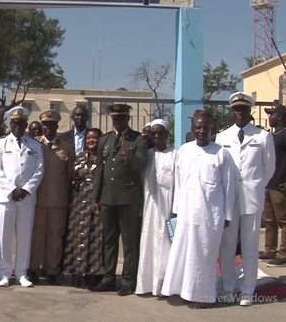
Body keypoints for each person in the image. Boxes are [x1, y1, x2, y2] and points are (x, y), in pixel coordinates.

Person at [162, 110, 236, 308]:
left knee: (204, 256)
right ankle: (181, 291)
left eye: (205, 127)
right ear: (193, 129)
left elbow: (229, 186)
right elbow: (179, 182)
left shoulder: (221, 154)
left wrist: (227, 215)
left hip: (209, 216)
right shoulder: (184, 151)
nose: (202, 131)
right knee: (183, 253)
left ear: (210, 129)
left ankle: (204, 297)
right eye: (198, 128)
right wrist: (176, 209)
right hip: (186, 214)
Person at [216, 92, 275, 307]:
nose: (239, 113)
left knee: (250, 247)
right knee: (227, 246)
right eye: (236, 109)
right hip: (229, 199)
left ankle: (248, 291)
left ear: (250, 110)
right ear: (232, 111)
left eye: (243, 109)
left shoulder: (262, 137)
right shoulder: (222, 137)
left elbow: (269, 168)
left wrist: (257, 186)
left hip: (252, 198)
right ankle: (229, 288)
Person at [89, 104, 148, 297]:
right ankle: (108, 278)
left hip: (128, 198)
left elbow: (140, 166)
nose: (118, 122)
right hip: (107, 198)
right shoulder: (105, 140)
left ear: (128, 119)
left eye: (121, 119)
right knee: (109, 241)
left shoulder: (138, 139)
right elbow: (99, 171)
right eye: (115, 119)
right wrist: (95, 198)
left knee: (129, 242)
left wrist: (129, 155)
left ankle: (129, 281)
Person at [0, 106, 44, 288]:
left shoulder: (35, 145)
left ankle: (21, 272)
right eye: (14, 123)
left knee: (24, 236)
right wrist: (11, 189)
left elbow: (39, 170)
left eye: (21, 123)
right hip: (7, 197)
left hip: (27, 198)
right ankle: (5, 272)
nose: (18, 126)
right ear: (9, 124)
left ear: (26, 124)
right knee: (3, 236)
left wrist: (26, 189)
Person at [29, 110, 75, 285]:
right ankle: (34, 268)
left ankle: (52, 270)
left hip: (58, 199)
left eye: (52, 125)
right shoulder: (34, 145)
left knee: (55, 237)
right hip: (38, 200)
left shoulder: (67, 147)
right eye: (45, 125)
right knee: (37, 236)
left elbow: (70, 174)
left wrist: (70, 199)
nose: (48, 128)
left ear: (57, 126)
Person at [135, 119, 176, 296]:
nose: (157, 136)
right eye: (154, 134)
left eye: (161, 133)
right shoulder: (147, 154)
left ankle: (164, 286)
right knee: (148, 243)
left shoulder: (175, 154)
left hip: (167, 208)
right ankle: (146, 285)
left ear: (167, 135)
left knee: (166, 247)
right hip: (149, 207)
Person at [261, 104, 286, 267]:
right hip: (269, 184)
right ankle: (269, 250)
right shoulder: (271, 136)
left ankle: (284, 254)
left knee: (284, 220)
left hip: (280, 184)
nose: (269, 117)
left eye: (272, 115)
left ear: (280, 118)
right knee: (269, 220)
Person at [64, 128, 104, 288]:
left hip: (96, 204)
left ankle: (94, 275)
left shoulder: (104, 159)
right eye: (88, 138)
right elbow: (72, 178)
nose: (91, 141)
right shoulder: (80, 157)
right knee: (77, 238)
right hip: (79, 204)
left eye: (94, 138)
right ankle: (76, 272)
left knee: (95, 239)